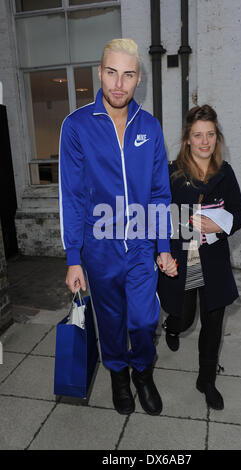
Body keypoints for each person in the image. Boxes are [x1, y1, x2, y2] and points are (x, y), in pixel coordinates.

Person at [59, 38, 175, 416]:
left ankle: (142, 370)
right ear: (100, 72)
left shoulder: (150, 126)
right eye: (111, 73)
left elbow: (160, 193)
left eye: (127, 74)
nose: (118, 84)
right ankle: (118, 374)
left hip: (141, 245)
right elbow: (72, 196)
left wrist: (162, 246)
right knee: (109, 321)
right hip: (99, 247)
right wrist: (73, 258)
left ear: (138, 78)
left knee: (143, 321)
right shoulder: (76, 126)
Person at [157, 104, 241, 410]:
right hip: (183, 258)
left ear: (216, 136)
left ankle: (206, 380)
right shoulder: (171, 173)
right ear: (188, 139)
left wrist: (219, 227)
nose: (205, 141)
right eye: (198, 135)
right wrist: (162, 252)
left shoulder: (225, 173)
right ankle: (172, 325)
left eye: (210, 134)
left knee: (213, 321)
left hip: (213, 258)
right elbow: (158, 218)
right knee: (183, 318)